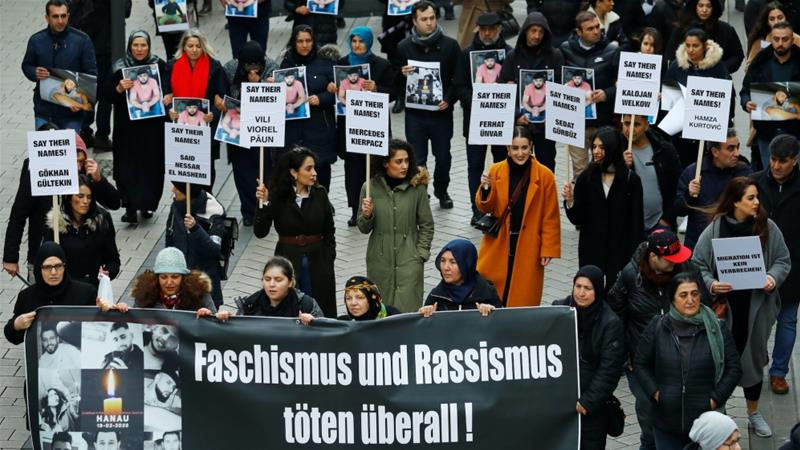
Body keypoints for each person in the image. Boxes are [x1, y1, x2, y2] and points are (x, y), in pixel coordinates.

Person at [692, 177, 792, 438]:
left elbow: (783, 260)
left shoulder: (767, 227)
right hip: (725, 310)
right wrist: (712, 284)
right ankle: (720, 415)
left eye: (757, 197)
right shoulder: (715, 229)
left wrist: (772, 278)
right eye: (750, 198)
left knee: (754, 361)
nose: (757, 202)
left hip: (756, 309)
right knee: (720, 362)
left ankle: (753, 413)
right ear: (735, 202)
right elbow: (698, 262)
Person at [607, 229, 696, 450]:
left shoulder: (685, 268)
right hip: (640, 361)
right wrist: (624, 355)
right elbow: (614, 316)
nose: (676, 262)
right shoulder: (630, 275)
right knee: (648, 414)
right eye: (670, 259)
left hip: (680, 358)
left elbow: (702, 303)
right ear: (654, 257)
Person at [634, 273, 742, 449]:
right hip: (667, 422)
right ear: (673, 299)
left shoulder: (716, 328)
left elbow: (734, 368)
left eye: (695, 294)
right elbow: (640, 363)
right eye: (683, 295)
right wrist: (656, 393)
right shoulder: (658, 326)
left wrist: (715, 399)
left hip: (707, 423)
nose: (690, 300)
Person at [3, 127, 119, 281]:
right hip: (44, 259)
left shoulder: (85, 175)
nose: (78, 167)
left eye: (81, 161)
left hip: (78, 264)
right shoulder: (36, 170)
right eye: (74, 161)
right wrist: (10, 257)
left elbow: (114, 203)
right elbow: (19, 213)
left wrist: (99, 180)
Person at [476, 126, 561, 307]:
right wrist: (485, 188)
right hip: (499, 243)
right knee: (492, 295)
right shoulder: (495, 170)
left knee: (522, 297)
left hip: (528, 246)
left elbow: (550, 216)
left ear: (531, 146)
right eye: (515, 148)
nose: (520, 153)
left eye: (524, 148)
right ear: (508, 148)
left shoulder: (545, 176)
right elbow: (485, 206)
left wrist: (548, 248)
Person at [254, 148, 337, 318]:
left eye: (314, 168)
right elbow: (260, 232)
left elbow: (329, 229)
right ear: (294, 172)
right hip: (289, 258)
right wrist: (264, 204)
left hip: (319, 262)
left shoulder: (320, 193)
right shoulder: (277, 195)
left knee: (320, 309)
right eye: (308, 168)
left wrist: (329, 256)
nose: (314, 173)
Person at [357, 139, 434, 313]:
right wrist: (367, 215)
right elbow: (363, 228)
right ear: (386, 163)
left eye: (407, 160)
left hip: (410, 261)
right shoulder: (369, 188)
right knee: (380, 312)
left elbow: (427, 224)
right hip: (379, 261)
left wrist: (420, 254)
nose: (404, 166)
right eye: (398, 161)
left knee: (408, 312)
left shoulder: (417, 188)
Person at [398, 1, 462, 209]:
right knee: (417, 158)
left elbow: (457, 79)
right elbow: (393, 82)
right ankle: (420, 193)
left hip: (440, 114)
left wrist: (449, 99)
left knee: (443, 157)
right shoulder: (404, 47)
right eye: (424, 19)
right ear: (414, 21)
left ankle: (441, 190)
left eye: (432, 18)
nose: (429, 23)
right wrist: (401, 74)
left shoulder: (450, 46)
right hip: (415, 114)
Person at [562, 127, 644, 289]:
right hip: (592, 250)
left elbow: (636, 223)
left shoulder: (630, 180)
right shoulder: (586, 178)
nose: (596, 151)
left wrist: (636, 258)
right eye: (594, 147)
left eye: (601, 147)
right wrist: (570, 200)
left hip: (620, 251)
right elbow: (578, 218)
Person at [553, 265, 624, 450]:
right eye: (578, 286)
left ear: (598, 290)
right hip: (560, 401)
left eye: (588, 288)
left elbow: (609, 370)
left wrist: (588, 402)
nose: (581, 293)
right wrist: (490, 312)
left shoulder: (610, 323)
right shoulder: (559, 309)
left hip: (590, 408)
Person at [333, 26, 398, 226]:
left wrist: (377, 88)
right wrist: (332, 88)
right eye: (354, 41)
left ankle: (376, 208)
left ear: (368, 42)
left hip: (373, 126)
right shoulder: (343, 64)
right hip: (350, 127)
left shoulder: (381, 65)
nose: (357, 45)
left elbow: (393, 93)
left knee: (375, 170)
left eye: (361, 41)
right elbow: (335, 90)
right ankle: (356, 209)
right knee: (353, 172)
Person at [750, 135, 800, 394]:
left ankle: (779, 372)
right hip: (756, 262)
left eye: (783, 161)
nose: (776, 166)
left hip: (793, 264)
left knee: (788, 320)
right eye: (773, 159)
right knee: (757, 321)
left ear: (795, 160)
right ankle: (755, 366)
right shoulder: (755, 182)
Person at [457, 12, 513, 225]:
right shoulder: (466, 54)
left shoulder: (509, 54)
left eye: (491, 29)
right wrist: (477, 102)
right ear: (477, 30)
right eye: (483, 30)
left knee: (501, 164)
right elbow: (460, 86)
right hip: (475, 120)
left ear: (499, 29)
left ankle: (499, 205)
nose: (487, 33)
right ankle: (477, 208)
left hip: (500, 120)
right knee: (475, 165)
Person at [111, 30, 170, 225]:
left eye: (143, 45)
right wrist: (119, 88)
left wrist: (168, 97)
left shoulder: (159, 65)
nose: (139, 49)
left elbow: (168, 89)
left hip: (152, 129)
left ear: (149, 46)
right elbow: (107, 96)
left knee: (151, 166)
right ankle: (129, 207)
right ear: (129, 47)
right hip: (127, 130)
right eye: (135, 45)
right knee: (127, 167)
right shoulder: (119, 67)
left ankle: (147, 204)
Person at [222, 40, 279, 227]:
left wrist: (259, 84)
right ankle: (248, 210)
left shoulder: (271, 67)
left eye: (256, 66)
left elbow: (277, 98)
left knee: (264, 168)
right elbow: (223, 92)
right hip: (238, 127)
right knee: (242, 171)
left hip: (262, 127)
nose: (252, 69)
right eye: (248, 66)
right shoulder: (230, 69)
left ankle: (265, 206)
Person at [499, 12, 564, 173]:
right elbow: (503, 91)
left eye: (541, 32)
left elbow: (561, 89)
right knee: (519, 166)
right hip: (521, 124)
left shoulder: (555, 56)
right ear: (525, 31)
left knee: (546, 165)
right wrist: (516, 115)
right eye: (533, 31)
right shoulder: (513, 56)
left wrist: (551, 114)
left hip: (545, 125)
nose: (537, 36)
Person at [560, 11, 621, 178]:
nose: (596, 31)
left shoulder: (611, 50)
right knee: (580, 172)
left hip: (602, 122)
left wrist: (606, 94)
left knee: (604, 169)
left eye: (597, 27)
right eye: (590, 29)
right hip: (575, 123)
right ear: (579, 32)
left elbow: (622, 85)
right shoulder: (565, 49)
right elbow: (556, 80)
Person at [166, 28, 229, 190]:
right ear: (184, 47)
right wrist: (169, 110)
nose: (194, 50)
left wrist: (213, 114)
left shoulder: (214, 67)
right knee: (184, 167)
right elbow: (166, 96)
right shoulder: (172, 66)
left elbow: (222, 97)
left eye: (198, 46)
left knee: (206, 169)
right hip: (181, 129)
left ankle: (205, 197)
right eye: (190, 46)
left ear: (203, 47)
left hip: (205, 128)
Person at [21, 0, 97, 131]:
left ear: (68, 16)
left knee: (70, 144)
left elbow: (92, 74)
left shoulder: (82, 40)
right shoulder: (36, 40)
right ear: (47, 18)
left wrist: (80, 100)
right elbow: (26, 65)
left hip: (71, 112)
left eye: (63, 16)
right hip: (44, 110)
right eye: (55, 16)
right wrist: (34, 72)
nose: (60, 21)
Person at [278, 26, 337, 191]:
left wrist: (322, 98)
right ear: (294, 42)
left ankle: (322, 202)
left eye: (308, 40)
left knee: (321, 175)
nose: (304, 45)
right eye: (300, 41)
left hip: (320, 129)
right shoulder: (287, 63)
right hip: (295, 131)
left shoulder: (325, 62)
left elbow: (339, 94)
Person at [664, 28, 733, 168]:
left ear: (705, 46)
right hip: (681, 133)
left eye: (695, 46)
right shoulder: (676, 66)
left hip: (708, 132)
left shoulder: (718, 68)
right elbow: (668, 97)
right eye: (688, 45)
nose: (691, 50)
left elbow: (728, 98)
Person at [4, 243, 96, 345]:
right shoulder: (27, 296)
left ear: (64, 267)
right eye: (47, 267)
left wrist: (107, 310)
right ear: (39, 268)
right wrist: (16, 325)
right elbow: (13, 337)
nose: (53, 272)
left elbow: (100, 327)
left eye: (58, 266)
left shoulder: (85, 292)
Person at [674, 130, 753, 249]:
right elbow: (678, 210)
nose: (737, 153)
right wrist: (689, 195)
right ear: (715, 152)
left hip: (733, 244)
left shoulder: (744, 172)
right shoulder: (694, 173)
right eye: (731, 149)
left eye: (737, 147)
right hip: (700, 244)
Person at [742, 21, 800, 170]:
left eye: (785, 39)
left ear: (792, 39)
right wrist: (746, 102)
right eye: (776, 39)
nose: (780, 43)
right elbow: (745, 90)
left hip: (796, 131)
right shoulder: (760, 61)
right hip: (766, 132)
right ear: (771, 39)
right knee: (770, 172)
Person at [44, 175, 121, 287]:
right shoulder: (55, 223)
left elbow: (113, 259)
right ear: (69, 197)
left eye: (89, 197)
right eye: (80, 196)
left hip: (92, 289)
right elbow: (45, 260)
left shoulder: (102, 220)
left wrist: (107, 273)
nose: (85, 201)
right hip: (65, 289)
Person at [166, 182, 226, 308]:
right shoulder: (176, 206)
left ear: (187, 192)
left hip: (204, 282)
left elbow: (214, 250)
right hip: (181, 282)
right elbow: (169, 240)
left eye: (177, 188)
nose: (173, 190)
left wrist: (195, 229)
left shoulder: (214, 212)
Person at [621, 114, 682, 232]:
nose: (630, 129)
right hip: (628, 227)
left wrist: (667, 218)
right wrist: (620, 166)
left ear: (646, 125)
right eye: (627, 123)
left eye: (636, 124)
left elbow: (677, 186)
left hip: (659, 224)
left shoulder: (664, 150)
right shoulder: (616, 149)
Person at [421, 239, 502, 314]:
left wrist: (492, 313)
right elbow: (423, 324)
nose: (445, 267)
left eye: (453, 262)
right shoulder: (436, 296)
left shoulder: (487, 293)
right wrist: (425, 315)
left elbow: (501, 322)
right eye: (443, 260)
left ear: (467, 264)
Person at [665, 0, 744, 74]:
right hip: (686, 76)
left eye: (708, 6)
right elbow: (670, 55)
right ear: (695, 6)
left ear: (714, 8)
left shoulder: (725, 29)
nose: (704, 10)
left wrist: (722, 68)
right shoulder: (681, 29)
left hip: (717, 78)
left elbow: (737, 55)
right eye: (701, 6)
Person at [234, 256, 324, 321]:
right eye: (267, 279)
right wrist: (227, 321)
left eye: (278, 280)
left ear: (290, 282)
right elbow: (237, 334)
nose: (272, 284)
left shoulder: (306, 305)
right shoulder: (251, 305)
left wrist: (313, 323)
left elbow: (323, 333)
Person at [131, 247, 218, 314]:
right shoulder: (145, 295)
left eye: (175, 277)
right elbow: (134, 322)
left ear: (183, 277)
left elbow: (215, 322)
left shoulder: (199, 293)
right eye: (164, 277)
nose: (169, 282)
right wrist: (124, 313)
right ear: (157, 278)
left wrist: (209, 315)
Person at [745, 2, 800, 69]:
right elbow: (748, 68)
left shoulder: (797, 40)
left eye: (780, 18)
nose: (776, 22)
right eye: (772, 19)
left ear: (786, 18)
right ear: (767, 22)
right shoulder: (760, 42)